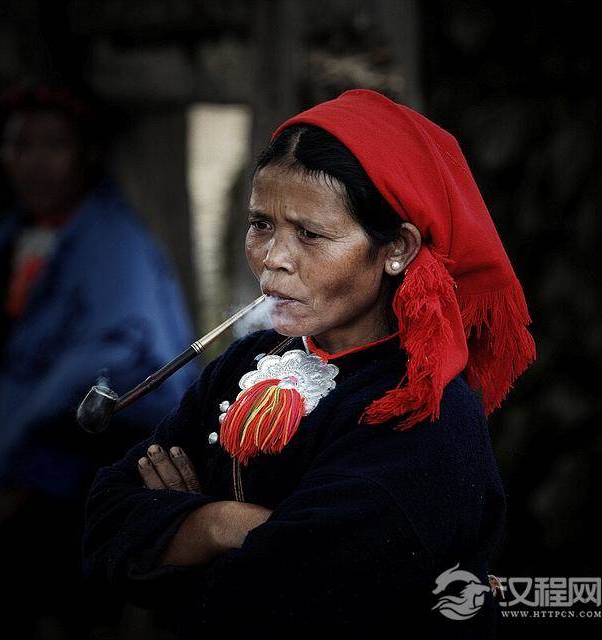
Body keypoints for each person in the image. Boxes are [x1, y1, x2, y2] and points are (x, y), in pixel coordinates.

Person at [82, 89, 536, 635]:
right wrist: (224, 523)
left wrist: (181, 529)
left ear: (397, 249)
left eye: (310, 234)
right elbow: (105, 525)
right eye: (261, 224)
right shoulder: (247, 360)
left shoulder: (421, 411)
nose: (273, 259)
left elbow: (293, 594)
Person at [0, 83, 200, 637]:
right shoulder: (1, 244)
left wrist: (22, 473)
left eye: (53, 145)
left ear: (86, 155)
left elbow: (116, 370)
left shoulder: (117, 247)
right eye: (19, 145)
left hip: (75, 470)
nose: (34, 163)